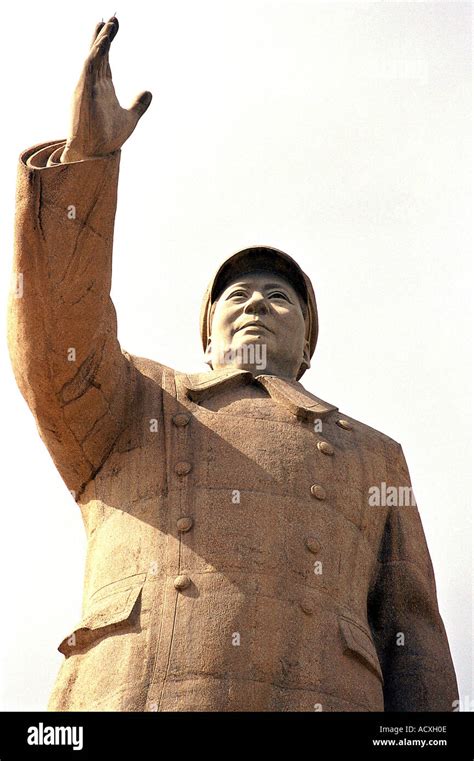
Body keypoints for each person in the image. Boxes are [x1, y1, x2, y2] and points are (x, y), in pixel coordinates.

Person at [8, 16, 458, 712]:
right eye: (237, 295)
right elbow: (55, 326)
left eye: (280, 298)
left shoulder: (377, 457)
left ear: (308, 344)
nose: (255, 303)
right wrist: (86, 162)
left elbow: (415, 637)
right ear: (207, 332)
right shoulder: (136, 402)